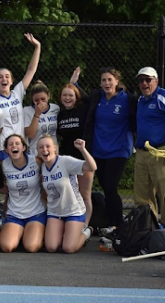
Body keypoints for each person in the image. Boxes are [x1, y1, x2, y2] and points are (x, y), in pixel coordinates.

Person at [82, 67, 137, 235]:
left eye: (110, 80)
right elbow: (80, 96)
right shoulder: (96, 99)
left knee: (111, 187)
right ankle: (111, 223)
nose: (107, 83)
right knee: (106, 188)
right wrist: (74, 82)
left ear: (116, 81)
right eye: (104, 80)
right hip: (98, 151)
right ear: (100, 83)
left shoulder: (128, 100)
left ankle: (119, 225)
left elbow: (137, 119)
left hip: (119, 150)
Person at [37, 135, 96, 253]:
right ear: (37, 151)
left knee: (69, 248)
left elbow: (92, 167)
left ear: (55, 148)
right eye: (41, 147)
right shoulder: (41, 166)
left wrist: (82, 149)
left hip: (73, 210)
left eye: (48, 146)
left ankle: (87, 232)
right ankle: (67, 233)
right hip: (55, 211)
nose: (45, 149)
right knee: (51, 247)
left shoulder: (65, 161)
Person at [134, 67, 165, 228]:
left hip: (163, 151)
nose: (144, 83)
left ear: (156, 81)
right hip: (142, 153)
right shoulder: (140, 100)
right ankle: (148, 230)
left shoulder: (164, 97)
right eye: (140, 80)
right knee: (142, 195)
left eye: (148, 80)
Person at [0, 33, 41, 162]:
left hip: (20, 145)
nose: (4, 79)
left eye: (7, 76)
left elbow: (31, 70)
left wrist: (37, 47)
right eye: (0, 77)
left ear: (12, 81)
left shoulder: (17, 93)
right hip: (3, 148)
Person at [56, 77, 94, 230]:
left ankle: (85, 226)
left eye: (71, 95)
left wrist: (75, 83)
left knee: (84, 194)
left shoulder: (83, 109)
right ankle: (71, 224)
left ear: (76, 97)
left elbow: (91, 99)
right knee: (70, 194)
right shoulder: (61, 115)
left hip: (83, 158)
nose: (67, 98)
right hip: (66, 160)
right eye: (64, 95)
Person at [0, 134, 46, 253]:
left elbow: (52, 167)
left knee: (31, 247)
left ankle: (34, 234)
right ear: (6, 150)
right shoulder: (4, 165)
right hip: (14, 213)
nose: (14, 146)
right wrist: (8, 191)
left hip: (35, 212)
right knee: (7, 247)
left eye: (17, 143)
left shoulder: (36, 161)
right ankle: (21, 234)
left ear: (24, 147)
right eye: (10, 144)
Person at [24, 80, 60, 157]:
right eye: (36, 100)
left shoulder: (55, 108)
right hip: (35, 153)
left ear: (48, 96)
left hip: (53, 152)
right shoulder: (26, 111)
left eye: (43, 99)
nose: (40, 102)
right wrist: (37, 114)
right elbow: (30, 135)